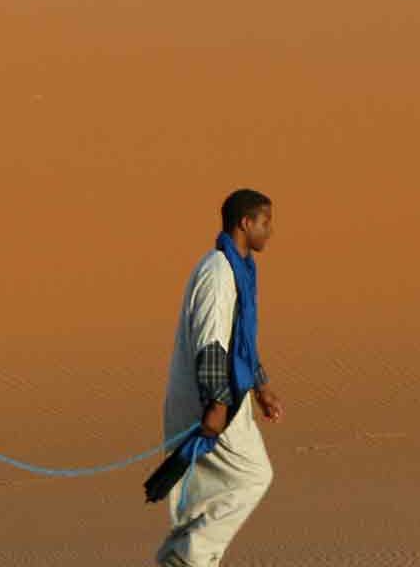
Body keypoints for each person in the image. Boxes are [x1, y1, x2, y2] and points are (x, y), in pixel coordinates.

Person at [156, 188, 283, 567]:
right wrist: (216, 403)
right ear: (246, 223)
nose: (270, 231)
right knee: (252, 476)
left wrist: (261, 385)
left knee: (208, 491)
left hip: (232, 394)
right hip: (214, 398)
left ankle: (181, 557)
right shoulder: (218, 273)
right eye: (265, 222)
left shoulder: (239, 268)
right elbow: (211, 342)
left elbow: (240, 336)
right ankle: (188, 559)